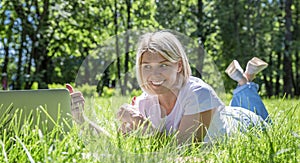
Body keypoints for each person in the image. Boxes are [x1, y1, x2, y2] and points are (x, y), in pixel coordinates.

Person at [67, 30, 270, 146]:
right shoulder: (145, 102)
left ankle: (245, 81)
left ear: (179, 66)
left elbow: (184, 147)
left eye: (163, 65)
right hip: (224, 113)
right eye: (147, 67)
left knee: (260, 114)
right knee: (237, 98)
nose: (154, 75)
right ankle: (244, 79)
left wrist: (145, 128)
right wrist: (81, 119)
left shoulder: (198, 93)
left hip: (245, 122)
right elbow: (116, 145)